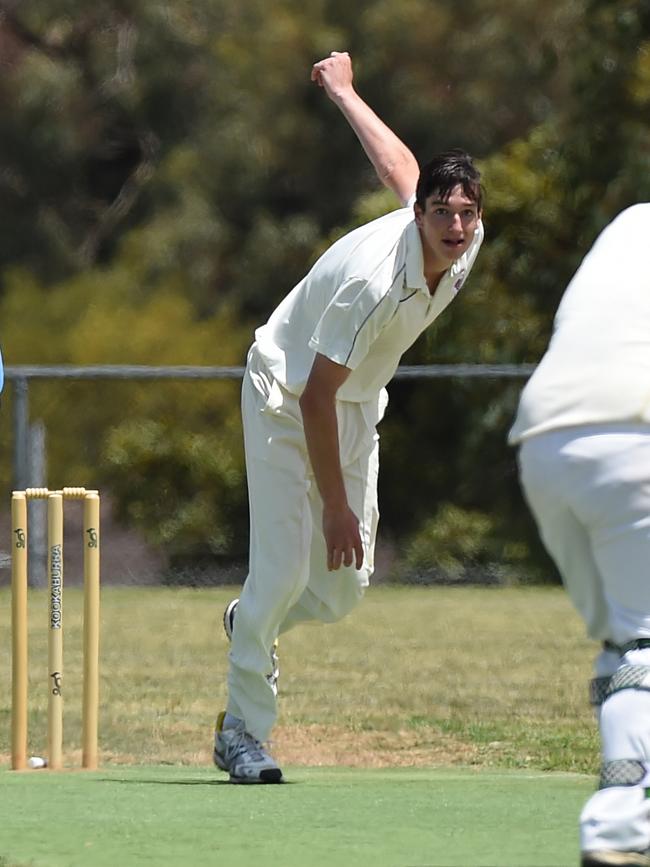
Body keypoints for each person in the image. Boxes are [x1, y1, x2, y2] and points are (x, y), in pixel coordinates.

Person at [213, 51, 484, 783]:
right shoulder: (373, 286)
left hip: (353, 403)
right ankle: (243, 731)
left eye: (466, 213)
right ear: (422, 216)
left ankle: (250, 627)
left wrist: (346, 92)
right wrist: (334, 504)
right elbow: (313, 396)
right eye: (442, 213)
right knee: (281, 571)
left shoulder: (459, 240)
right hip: (285, 391)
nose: (455, 227)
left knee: (340, 589)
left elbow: (398, 163)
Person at [509, 204, 650, 867]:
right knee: (646, 641)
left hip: (544, 442)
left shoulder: (627, 223)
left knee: (626, 641)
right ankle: (617, 823)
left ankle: (624, 794)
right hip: (631, 431)